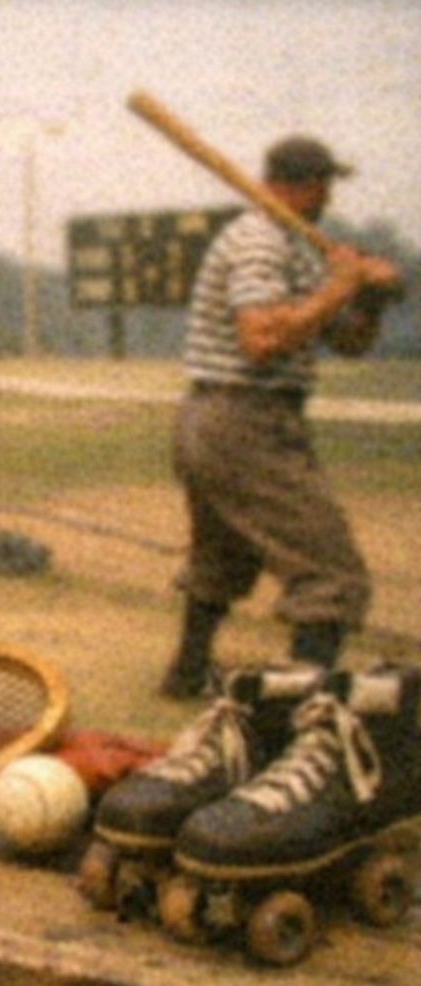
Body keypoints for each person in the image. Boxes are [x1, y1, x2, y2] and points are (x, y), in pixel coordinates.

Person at [160, 135, 402, 698]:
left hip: (221, 419)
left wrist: (367, 299)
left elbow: (345, 342)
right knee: (330, 573)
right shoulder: (260, 241)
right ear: (305, 184)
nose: (329, 197)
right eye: (325, 185)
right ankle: (297, 708)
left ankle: (187, 675)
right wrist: (342, 284)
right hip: (244, 416)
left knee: (222, 555)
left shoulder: (296, 248)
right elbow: (261, 340)